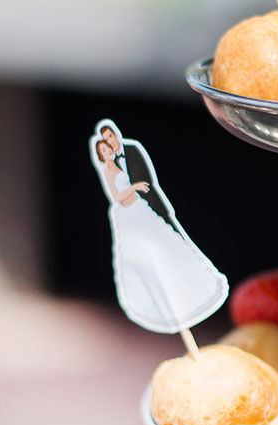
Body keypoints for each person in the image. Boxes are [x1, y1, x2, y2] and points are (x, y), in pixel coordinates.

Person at [92, 123, 227, 333]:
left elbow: (146, 180)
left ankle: (194, 290)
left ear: (115, 135)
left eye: (110, 139)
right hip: (132, 215)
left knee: (175, 248)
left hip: (149, 207)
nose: (109, 145)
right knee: (148, 262)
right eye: (105, 146)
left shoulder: (132, 150)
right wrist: (133, 188)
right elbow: (118, 196)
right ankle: (164, 305)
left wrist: (138, 190)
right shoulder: (109, 171)